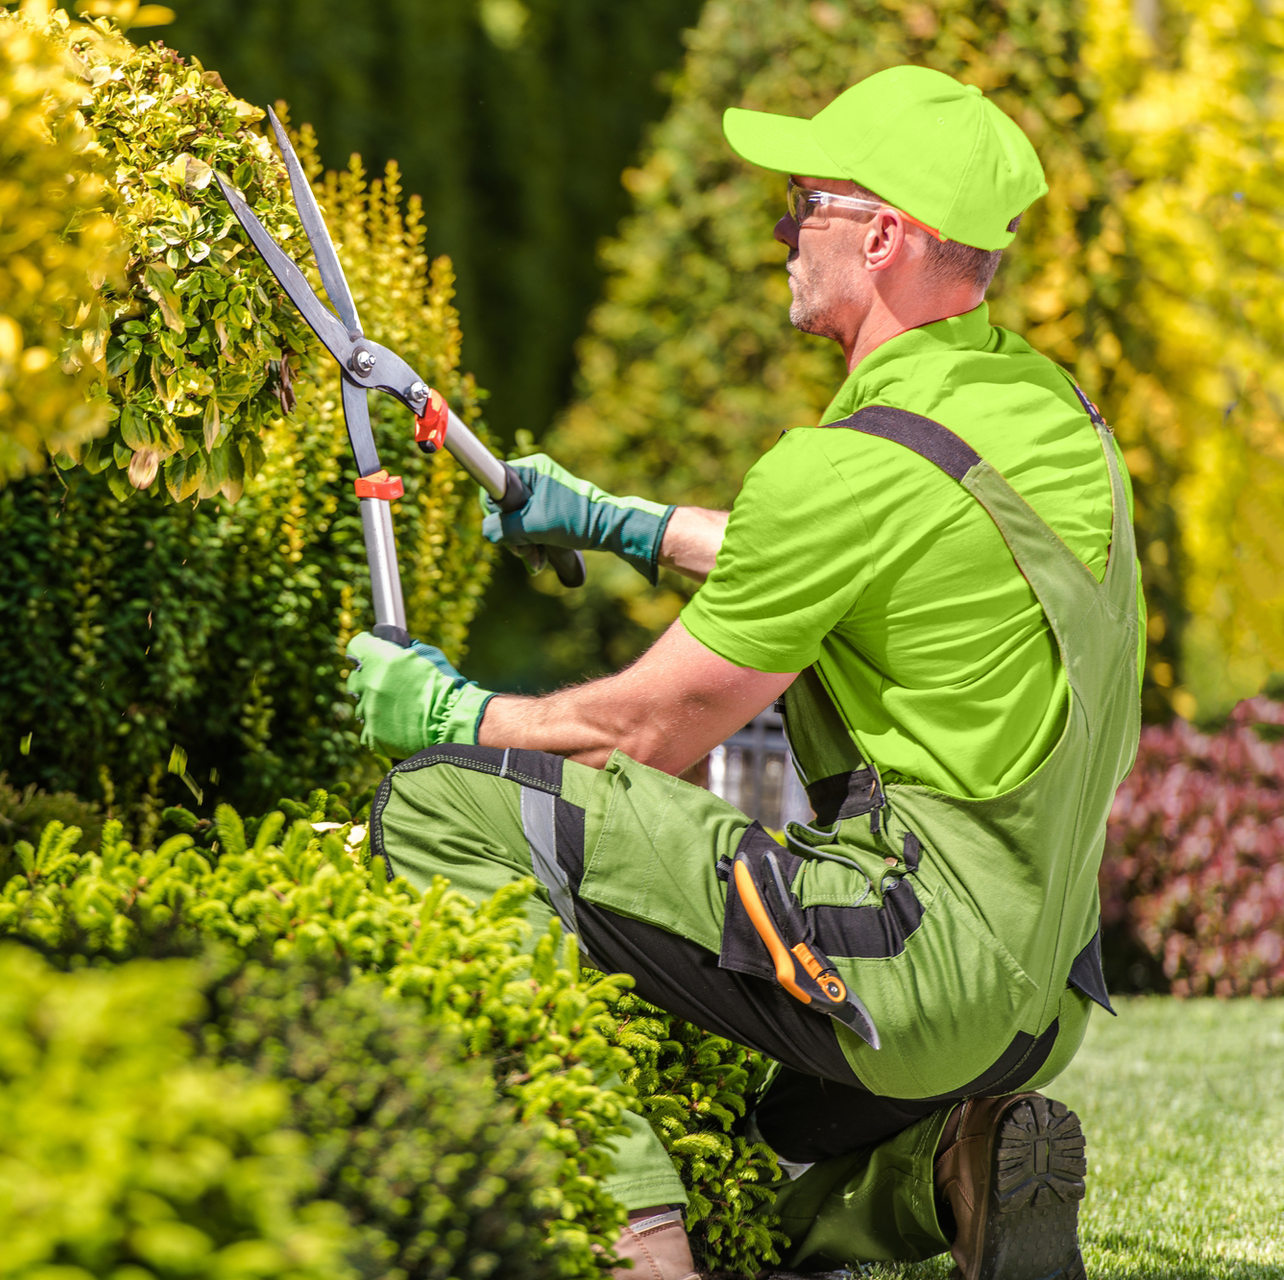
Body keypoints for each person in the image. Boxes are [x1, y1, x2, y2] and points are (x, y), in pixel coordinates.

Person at [344, 65, 1145, 1280]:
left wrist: (453, 712)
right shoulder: (1043, 410)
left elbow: (644, 730)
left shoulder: (840, 470)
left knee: (446, 804)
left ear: (883, 235)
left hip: (910, 961)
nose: (781, 226)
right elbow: (877, 554)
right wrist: (622, 521)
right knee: (748, 1142)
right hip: (1041, 997)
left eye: (802, 201)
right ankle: (948, 1171)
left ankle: (633, 1241)